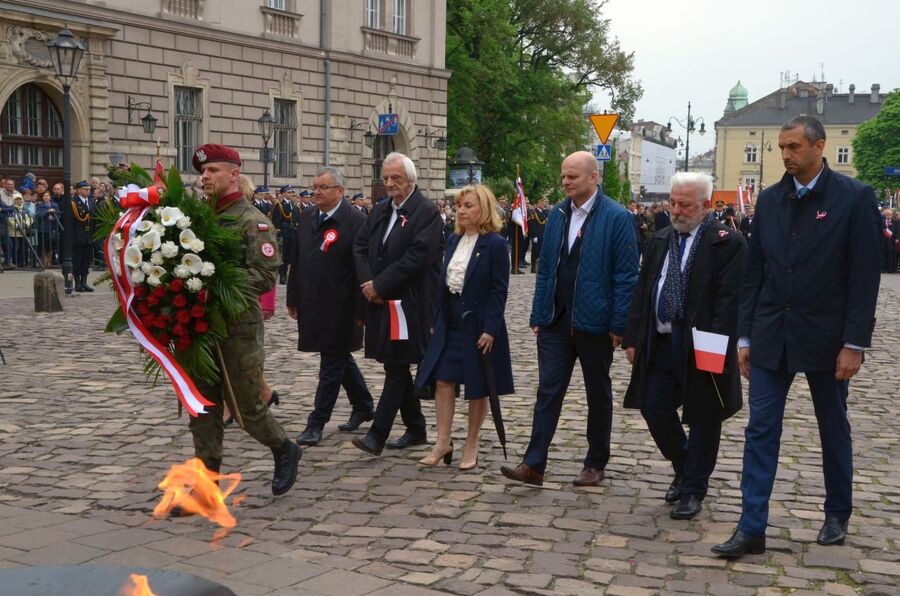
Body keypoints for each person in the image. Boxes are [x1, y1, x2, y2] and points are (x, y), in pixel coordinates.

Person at [712, 115, 881, 558]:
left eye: (794, 147)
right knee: (760, 430)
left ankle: (837, 512)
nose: (785, 154)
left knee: (832, 428)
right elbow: (756, 273)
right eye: (782, 147)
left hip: (828, 338)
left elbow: (865, 278)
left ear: (819, 147)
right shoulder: (769, 200)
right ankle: (751, 527)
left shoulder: (854, 198)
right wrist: (744, 337)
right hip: (772, 332)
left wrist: (854, 343)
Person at [500, 151, 638, 487]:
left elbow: (626, 276)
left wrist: (619, 325)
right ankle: (533, 464)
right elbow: (546, 267)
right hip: (556, 321)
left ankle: (595, 462)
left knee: (597, 392)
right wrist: (538, 312)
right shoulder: (558, 215)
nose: (565, 182)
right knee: (548, 391)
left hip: (596, 321)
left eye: (572, 176)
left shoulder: (617, 218)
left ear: (594, 178)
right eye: (563, 176)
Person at [623, 173, 746, 520]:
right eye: (673, 203)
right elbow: (643, 291)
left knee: (705, 417)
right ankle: (684, 463)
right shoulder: (660, 239)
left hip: (703, 343)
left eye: (684, 205)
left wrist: (717, 349)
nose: (676, 210)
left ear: (705, 206)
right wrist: (633, 337)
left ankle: (693, 488)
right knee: (653, 407)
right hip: (661, 342)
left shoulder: (727, 243)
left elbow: (729, 302)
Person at [188, 143, 301, 497]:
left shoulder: (253, 221)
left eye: (213, 171)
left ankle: (284, 448)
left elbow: (266, 275)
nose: (205, 177)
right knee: (202, 408)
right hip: (199, 327)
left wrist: (216, 287)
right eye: (202, 172)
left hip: (237, 327)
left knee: (246, 407)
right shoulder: (194, 221)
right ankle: (206, 485)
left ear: (234, 175)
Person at [351, 152, 443, 455]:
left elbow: (417, 258)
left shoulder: (426, 211)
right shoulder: (380, 210)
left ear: (411, 180)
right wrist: (369, 284)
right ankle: (416, 428)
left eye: (396, 179)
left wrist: (381, 284)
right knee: (396, 364)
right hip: (380, 299)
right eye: (386, 177)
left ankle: (377, 435)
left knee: (397, 364)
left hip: (410, 303)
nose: (389, 184)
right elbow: (360, 246)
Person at [416, 184, 513, 470]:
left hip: (478, 323)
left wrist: (491, 329)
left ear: (483, 208)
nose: (461, 210)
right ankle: (442, 441)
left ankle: (471, 443)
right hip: (450, 321)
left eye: (468, 205)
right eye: (459, 206)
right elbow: (441, 285)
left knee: (476, 385)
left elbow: (499, 291)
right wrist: (436, 321)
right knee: (443, 380)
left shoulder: (495, 244)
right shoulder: (454, 240)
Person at [287, 166, 376, 446]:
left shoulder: (357, 221)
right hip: (313, 301)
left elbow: (364, 268)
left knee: (332, 362)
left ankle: (317, 422)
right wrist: (293, 297)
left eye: (323, 187)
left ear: (340, 190)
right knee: (338, 357)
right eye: (314, 187)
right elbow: (297, 260)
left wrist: (363, 308)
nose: (316, 192)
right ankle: (363, 404)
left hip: (344, 305)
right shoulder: (307, 216)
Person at [271, 185, 298, 285]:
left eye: (291, 192)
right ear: (282, 194)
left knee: (289, 256)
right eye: (288, 192)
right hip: (284, 232)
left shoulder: (293, 205)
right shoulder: (279, 205)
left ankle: (286, 274)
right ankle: (282, 276)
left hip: (291, 233)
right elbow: (276, 220)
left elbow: (295, 218)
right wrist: (279, 231)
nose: (290, 194)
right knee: (283, 255)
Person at [71, 181, 95, 292]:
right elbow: (72, 221)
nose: (87, 191)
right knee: (78, 260)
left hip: (89, 235)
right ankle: (77, 283)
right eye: (85, 189)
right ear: (79, 190)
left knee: (86, 260)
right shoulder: (74, 202)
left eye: (88, 189)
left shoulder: (90, 201)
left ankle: (84, 282)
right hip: (78, 235)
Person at [35, 190, 60, 268]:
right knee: (43, 245)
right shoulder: (39, 205)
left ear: (50, 197)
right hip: (42, 228)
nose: (46, 197)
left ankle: (49, 261)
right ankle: (44, 260)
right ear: (42, 197)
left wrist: (53, 218)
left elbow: (59, 216)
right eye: (44, 196)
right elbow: (38, 215)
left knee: (50, 246)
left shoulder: (55, 205)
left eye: (48, 196)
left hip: (52, 228)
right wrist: (47, 211)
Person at [528, 198, 549, 273]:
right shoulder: (534, 212)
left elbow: (546, 219)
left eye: (543, 203)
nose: (543, 204)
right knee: (535, 252)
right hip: (537, 235)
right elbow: (533, 225)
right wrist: (534, 236)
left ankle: (540, 267)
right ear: (537, 204)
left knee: (541, 252)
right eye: (541, 203)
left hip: (543, 234)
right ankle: (533, 267)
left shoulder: (544, 211)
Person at [880, 208, 897, 273]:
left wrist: (897, 238)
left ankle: (890, 269)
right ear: (885, 215)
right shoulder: (882, 221)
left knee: (890, 254)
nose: (888, 216)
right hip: (883, 240)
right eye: (887, 215)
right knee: (883, 254)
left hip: (891, 240)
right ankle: (883, 268)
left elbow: (896, 230)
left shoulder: (894, 221)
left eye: (890, 214)